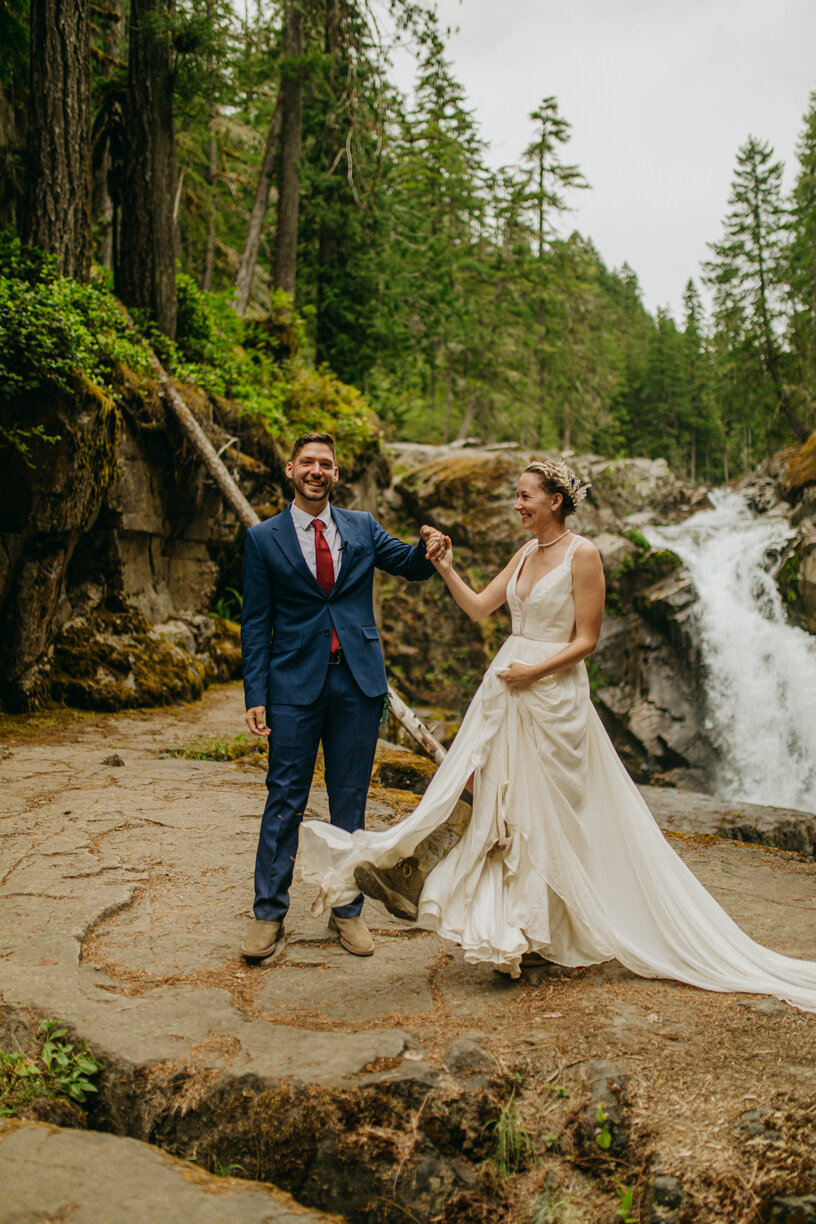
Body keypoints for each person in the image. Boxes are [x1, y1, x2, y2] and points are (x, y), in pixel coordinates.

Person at [300, 458, 816, 1011]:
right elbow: (479, 609)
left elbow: (587, 638)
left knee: (550, 814)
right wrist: (446, 567)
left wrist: (533, 672)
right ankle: (524, 932)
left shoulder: (583, 553)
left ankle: (551, 927)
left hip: (552, 696)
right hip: (507, 689)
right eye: (517, 496)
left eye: (526, 496)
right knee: (507, 811)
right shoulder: (524, 552)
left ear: (555, 501)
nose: (518, 504)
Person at [240, 431, 446, 961]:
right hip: (292, 686)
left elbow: (409, 564)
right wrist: (255, 693)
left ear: (335, 474)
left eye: (325, 464)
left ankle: (346, 911)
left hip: (357, 682)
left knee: (350, 801)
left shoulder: (361, 526)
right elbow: (256, 621)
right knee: (284, 797)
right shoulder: (264, 538)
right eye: (307, 462)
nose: (316, 470)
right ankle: (268, 915)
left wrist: (432, 549)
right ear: (290, 470)